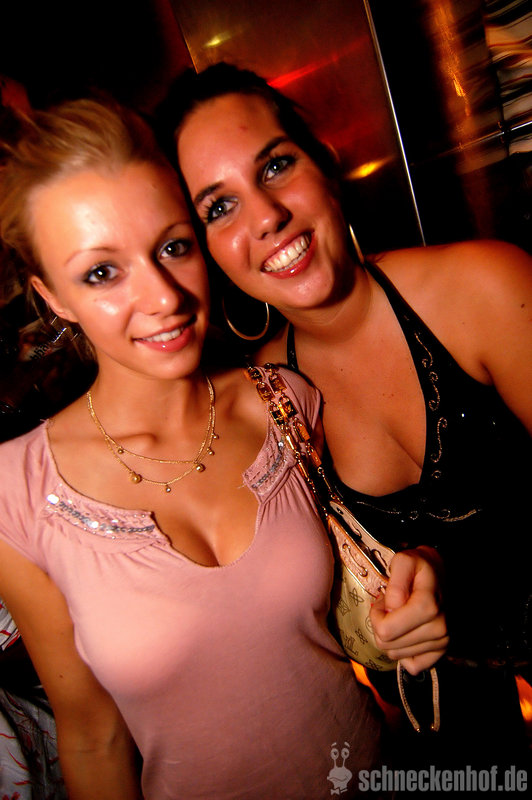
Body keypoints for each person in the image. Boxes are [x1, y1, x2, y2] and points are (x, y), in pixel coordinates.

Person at [0, 96, 400, 800]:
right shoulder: (19, 494)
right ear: (51, 295)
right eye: (101, 273)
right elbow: (93, 738)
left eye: (173, 247)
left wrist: (422, 580)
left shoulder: (288, 401)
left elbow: (381, 568)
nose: (163, 297)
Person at [164, 62, 532, 776]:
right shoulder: (265, 401)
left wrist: (451, 569)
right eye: (219, 206)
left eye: (276, 166)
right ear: (205, 251)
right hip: (462, 741)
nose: (265, 216)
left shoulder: (484, 288)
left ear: (325, 164)